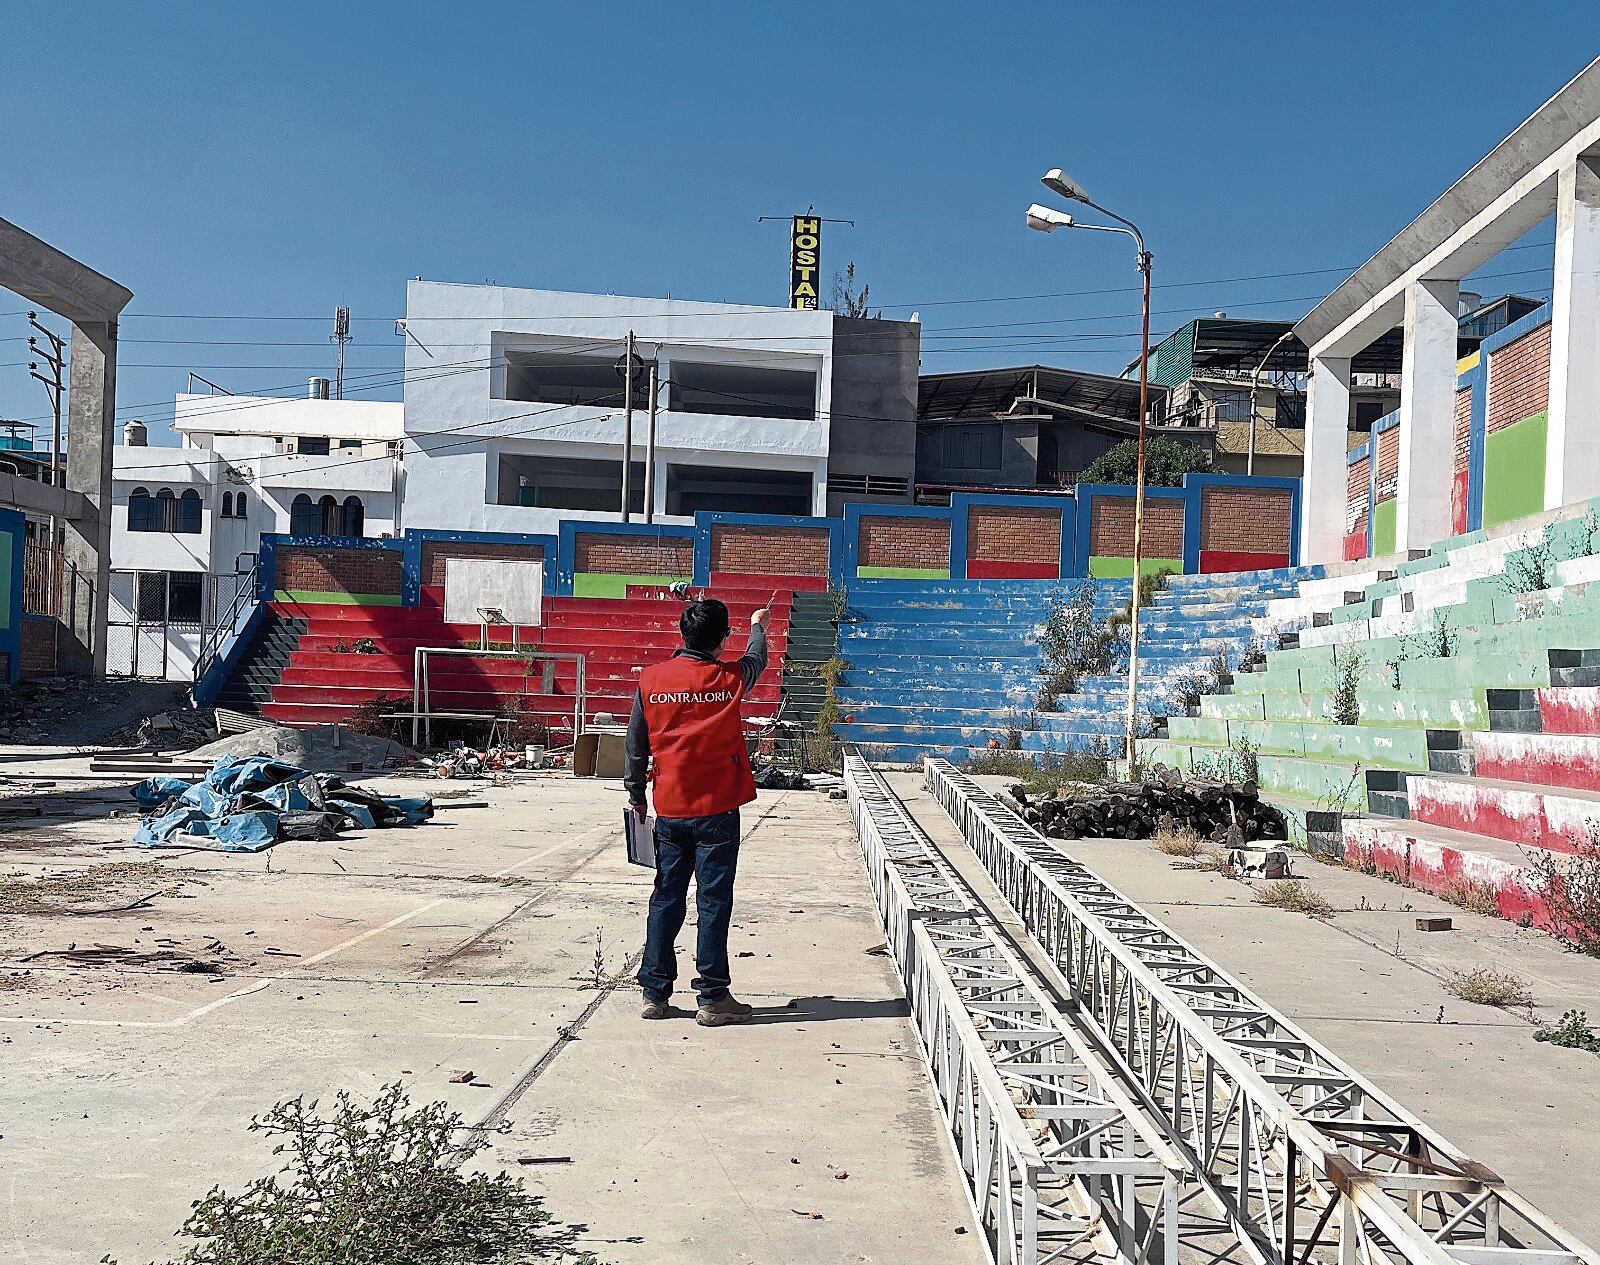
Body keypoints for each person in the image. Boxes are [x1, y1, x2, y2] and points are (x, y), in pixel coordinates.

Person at [624, 595, 771, 1027]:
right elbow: (757, 658)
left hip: (670, 806)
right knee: (713, 901)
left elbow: (635, 743)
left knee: (666, 897)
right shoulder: (729, 679)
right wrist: (758, 623)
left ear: (682, 634)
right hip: (719, 809)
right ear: (723, 638)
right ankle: (712, 996)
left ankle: (655, 992)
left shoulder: (651, 679)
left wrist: (636, 794)